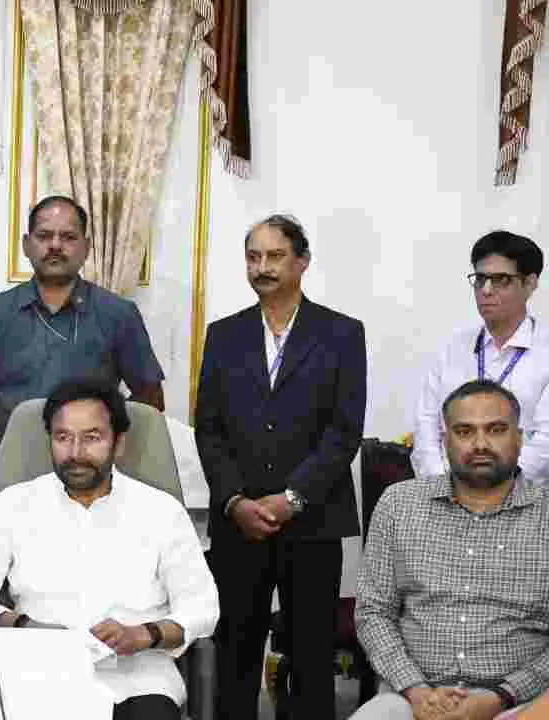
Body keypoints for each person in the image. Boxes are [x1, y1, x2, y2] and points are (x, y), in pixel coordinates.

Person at [0, 378, 218, 720]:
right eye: (63, 437)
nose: (75, 453)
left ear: (118, 443)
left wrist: (145, 634)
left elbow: (201, 606)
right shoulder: (13, 505)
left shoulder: (161, 511)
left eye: (92, 437)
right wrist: (26, 626)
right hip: (36, 673)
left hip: (137, 679)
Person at [195, 214, 366, 720]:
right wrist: (234, 501)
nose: (262, 267)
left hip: (312, 522)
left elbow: (344, 431)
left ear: (302, 262)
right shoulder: (224, 334)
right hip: (239, 523)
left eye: (275, 256)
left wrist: (292, 498)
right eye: (253, 257)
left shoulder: (340, 333)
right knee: (235, 653)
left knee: (311, 656)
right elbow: (209, 430)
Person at [353, 380, 549, 720]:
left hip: (523, 702)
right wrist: (416, 690)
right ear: (445, 441)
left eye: (496, 429)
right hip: (410, 698)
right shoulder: (399, 505)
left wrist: (501, 696)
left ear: (519, 438)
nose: (481, 444)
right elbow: (373, 612)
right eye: (464, 431)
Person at [0, 195, 165, 540]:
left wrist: (116, 455)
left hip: (94, 490)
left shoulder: (117, 314)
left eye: (68, 237)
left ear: (86, 247)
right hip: (11, 483)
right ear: (26, 244)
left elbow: (149, 399)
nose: (56, 246)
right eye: (45, 236)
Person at [413, 231, 549, 492]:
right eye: (480, 279)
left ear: (530, 283)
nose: (486, 290)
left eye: (501, 280)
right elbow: (426, 428)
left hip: (525, 500)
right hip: (448, 497)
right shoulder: (451, 348)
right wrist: (445, 487)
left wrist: (490, 490)